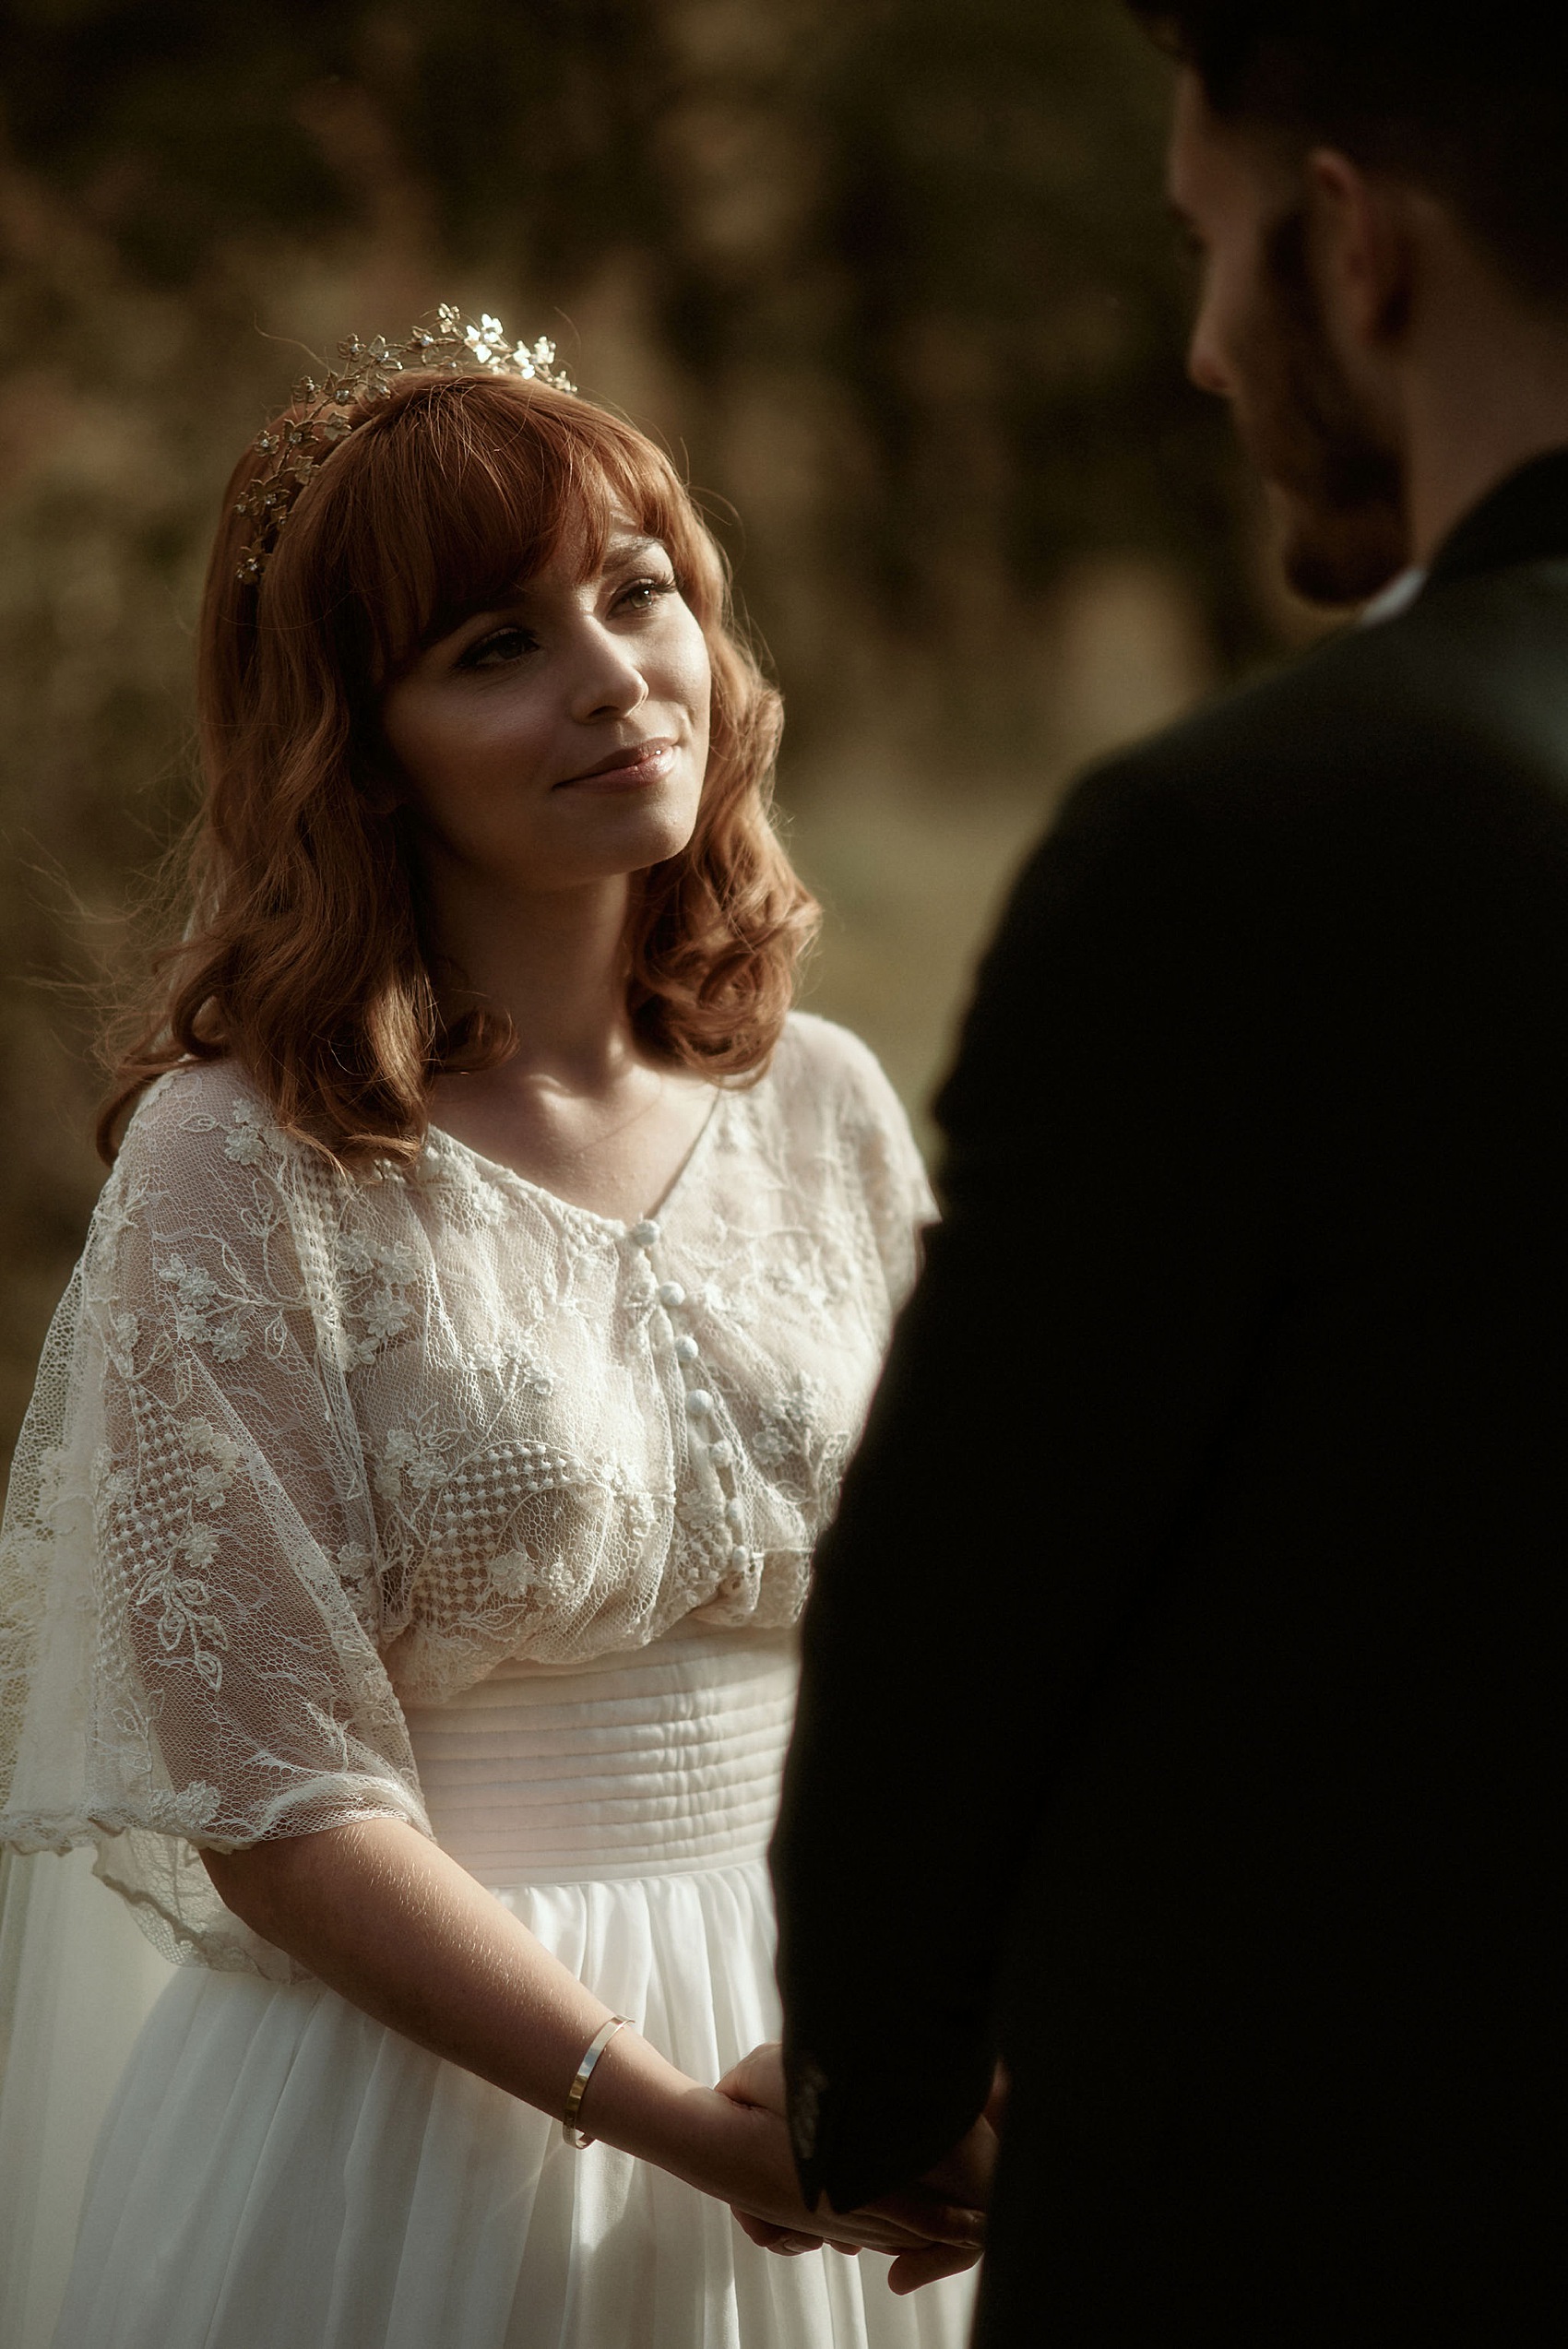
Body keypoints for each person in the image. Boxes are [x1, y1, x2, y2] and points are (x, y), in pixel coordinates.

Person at [0, 311, 984, 2349]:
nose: (614, 676)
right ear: (358, 752)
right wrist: (679, 2118)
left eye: (636, 596)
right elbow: (279, 1804)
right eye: (493, 647)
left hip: (846, 2063)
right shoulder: (239, 1165)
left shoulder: (822, 1106)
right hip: (439, 2122)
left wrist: (955, 2040)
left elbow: (966, 1633)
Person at [769, 5, 1568, 2339]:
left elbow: (962, 1608)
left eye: (1212, 247)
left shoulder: (1252, 842)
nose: (1210, 354)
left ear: (1354, 245)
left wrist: (884, 2078)